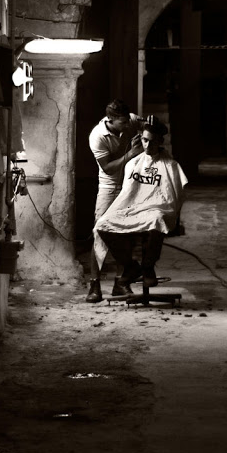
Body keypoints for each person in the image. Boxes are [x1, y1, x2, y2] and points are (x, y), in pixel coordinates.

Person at [94, 120, 188, 297]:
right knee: (103, 224)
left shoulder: (170, 166)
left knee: (155, 220)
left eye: (152, 141)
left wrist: (166, 210)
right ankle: (130, 267)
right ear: (140, 139)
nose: (147, 145)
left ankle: (148, 267)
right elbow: (127, 194)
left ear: (160, 141)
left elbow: (176, 197)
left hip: (156, 210)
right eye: (145, 140)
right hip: (133, 208)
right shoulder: (133, 163)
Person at [86, 99, 150, 302]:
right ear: (110, 119)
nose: (126, 125)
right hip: (110, 187)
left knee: (127, 234)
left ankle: (121, 284)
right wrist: (131, 154)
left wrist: (149, 127)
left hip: (131, 184)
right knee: (100, 233)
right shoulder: (98, 136)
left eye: (127, 121)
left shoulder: (130, 120)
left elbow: (147, 126)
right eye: (122, 122)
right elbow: (107, 168)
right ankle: (94, 285)